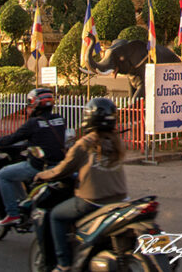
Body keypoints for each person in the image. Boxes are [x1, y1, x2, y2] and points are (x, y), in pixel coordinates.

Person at [35, 97, 127, 272]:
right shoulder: (117, 142)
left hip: (92, 202)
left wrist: (41, 175)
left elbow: (61, 170)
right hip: (120, 200)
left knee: (56, 215)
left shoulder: (85, 144)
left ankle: (63, 264)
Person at [0, 88, 67, 228]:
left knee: (3, 174)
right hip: (60, 166)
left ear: (35, 104)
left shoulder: (32, 123)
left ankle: (13, 213)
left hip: (38, 166)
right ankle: (25, 201)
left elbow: (13, 138)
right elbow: (48, 138)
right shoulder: (60, 120)